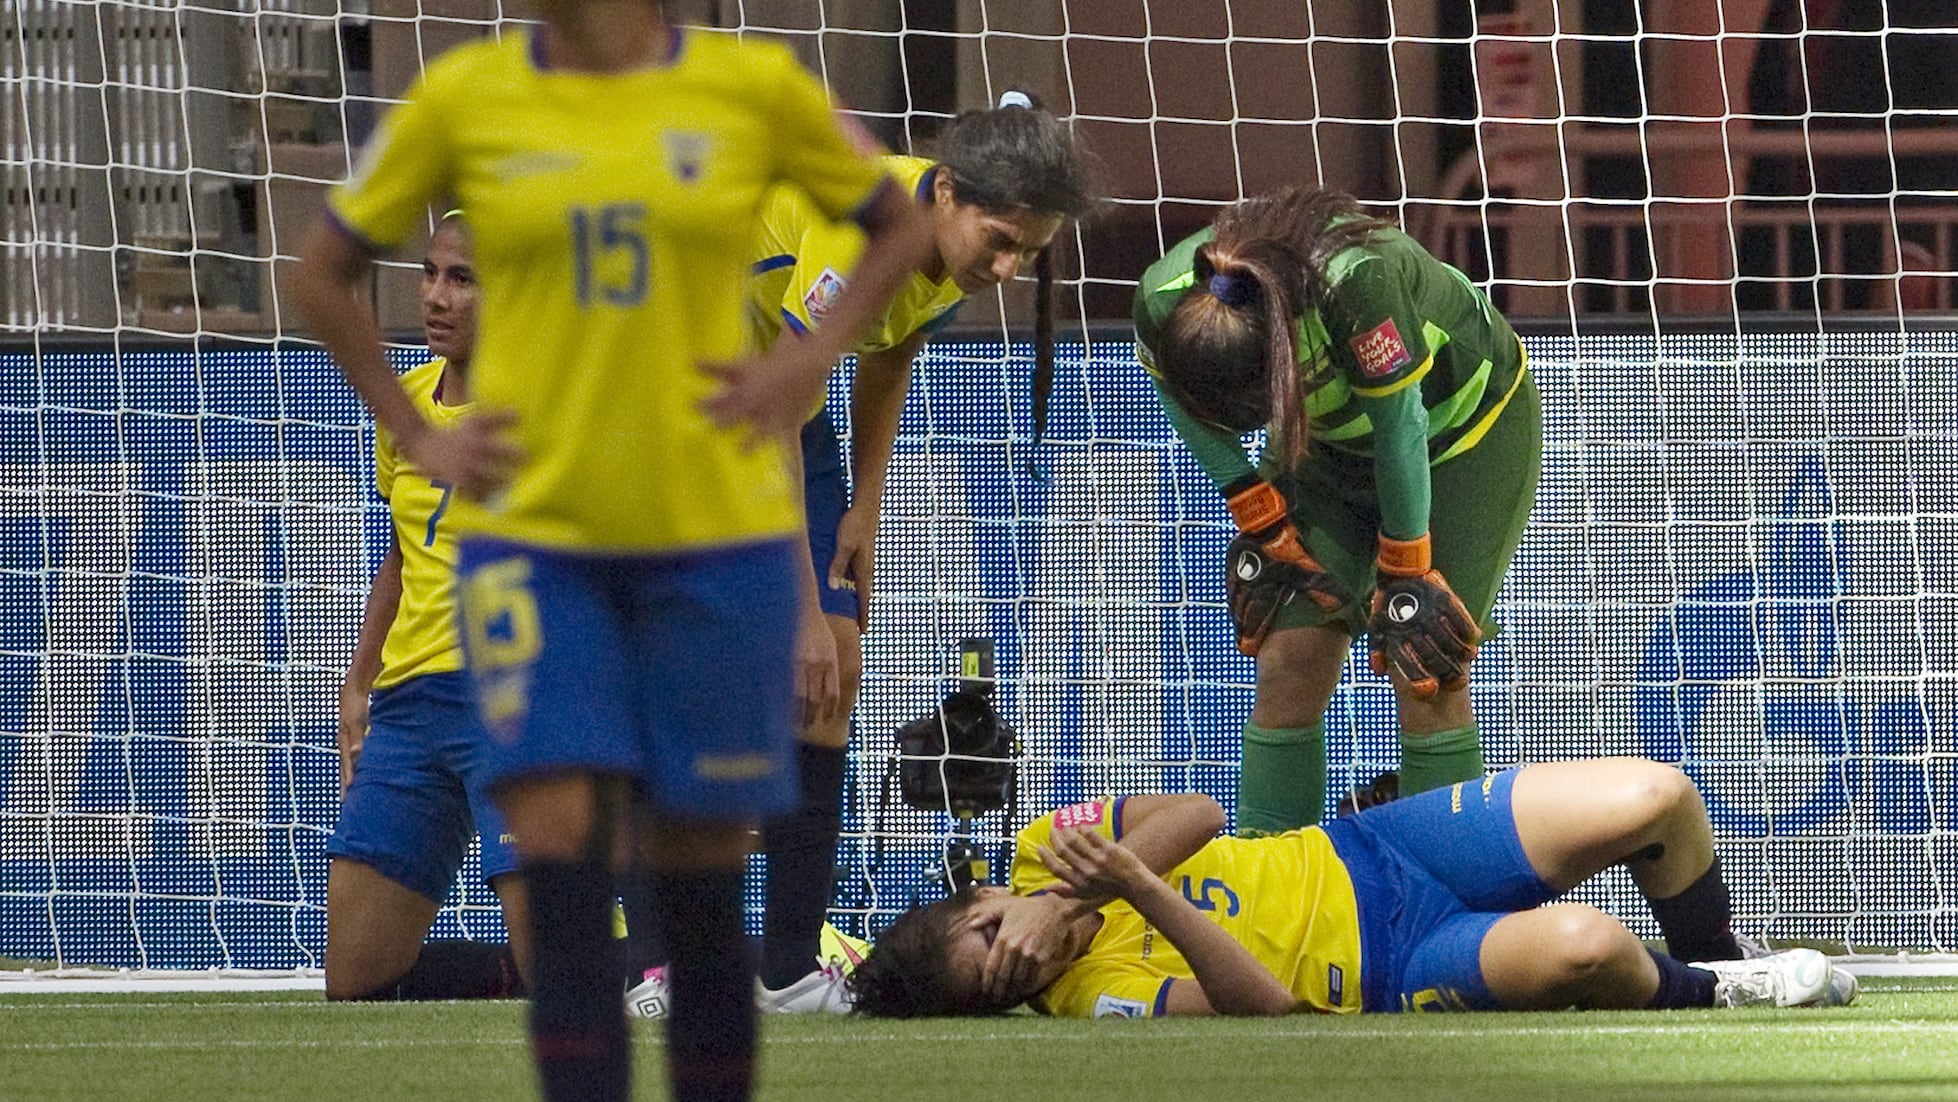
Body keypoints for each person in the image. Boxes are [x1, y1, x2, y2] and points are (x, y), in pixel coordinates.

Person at [289, 1, 936, 1099]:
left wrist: (797, 368)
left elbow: (903, 230)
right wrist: (416, 431)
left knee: (696, 879)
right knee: (563, 864)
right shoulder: (466, 96)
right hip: (538, 545)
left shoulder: (757, 89)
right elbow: (318, 271)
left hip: (713, 542)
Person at [623, 91, 1099, 1017]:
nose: (1006, 266)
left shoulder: (939, 256)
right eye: (998, 239)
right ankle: (657, 971)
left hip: (778, 413)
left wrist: (865, 510)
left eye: (1029, 255)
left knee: (836, 674)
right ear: (946, 192)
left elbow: (887, 355)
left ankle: (788, 969)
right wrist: (801, 607)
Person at [1131, 185, 1541, 834]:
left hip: (1461, 439)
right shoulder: (1164, 299)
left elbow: (1400, 427)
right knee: (1288, 662)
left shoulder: (1357, 284)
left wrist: (1407, 569)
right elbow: (1175, 395)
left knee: (1425, 665)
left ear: (1284, 354)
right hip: (1322, 452)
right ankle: (1269, 896)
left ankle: (1448, 898)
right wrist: (1255, 506)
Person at [847, 757, 1860, 1017]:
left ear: (982, 903)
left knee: (1656, 795)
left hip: (1372, 849)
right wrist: (1138, 901)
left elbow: (1198, 812)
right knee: (1584, 945)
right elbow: (1266, 1006)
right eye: (998, 984)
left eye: (991, 940)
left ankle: (1726, 960)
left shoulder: (1042, 851)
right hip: (1385, 964)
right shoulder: (1089, 1000)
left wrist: (1075, 894)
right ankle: (1713, 994)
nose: (1016, 960)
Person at [324, 211, 528, 1002]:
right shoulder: (403, 407)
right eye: (431, 273)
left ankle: (761, 960)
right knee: (355, 978)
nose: (437, 297)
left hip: (515, 698)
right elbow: (408, 551)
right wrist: (358, 681)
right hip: (411, 709)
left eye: (463, 279)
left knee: (567, 964)